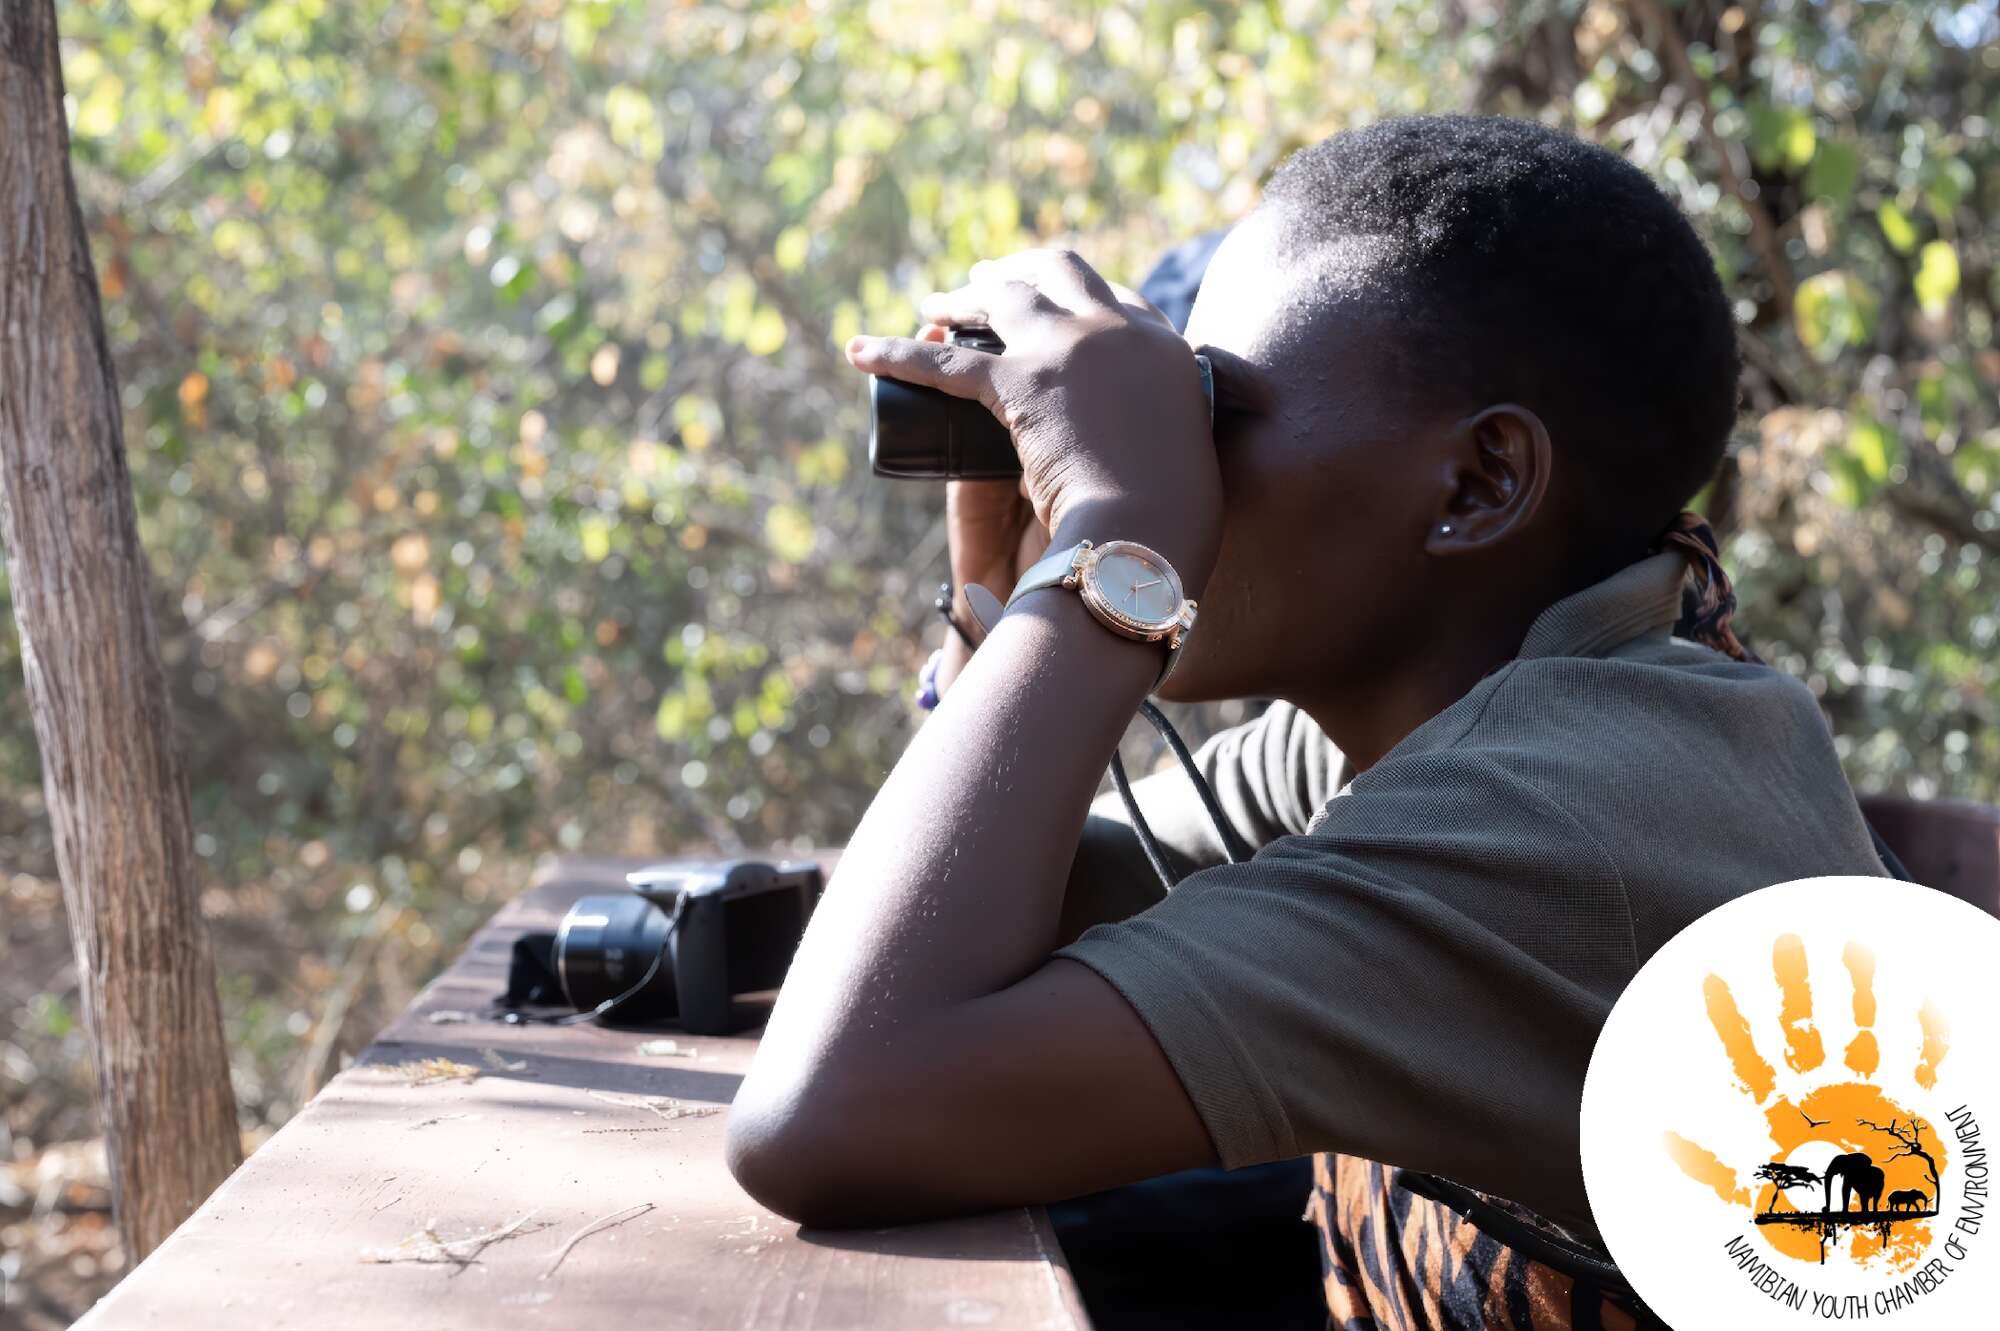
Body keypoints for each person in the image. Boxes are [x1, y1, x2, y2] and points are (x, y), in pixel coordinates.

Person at [725, 114, 1891, 1328]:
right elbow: (972, 922)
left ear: (1479, 482)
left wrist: (1116, 529)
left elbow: (831, 1110)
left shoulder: (1553, 808)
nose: (1182, 457)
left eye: (1210, 405)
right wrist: (1006, 600)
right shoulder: (1421, 721)